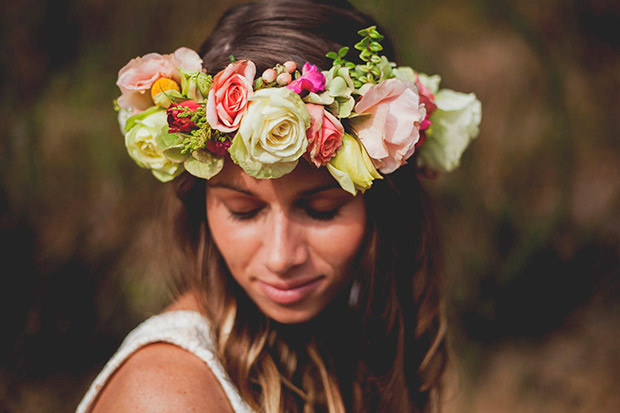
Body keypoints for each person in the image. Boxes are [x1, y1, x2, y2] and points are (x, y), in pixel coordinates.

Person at [78, 0, 481, 411]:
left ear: (382, 205)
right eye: (244, 211)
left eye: (322, 210)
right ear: (202, 205)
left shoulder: (354, 333)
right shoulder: (165, 395)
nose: (280, 257)